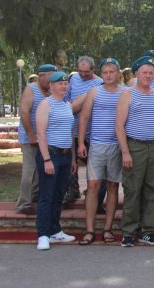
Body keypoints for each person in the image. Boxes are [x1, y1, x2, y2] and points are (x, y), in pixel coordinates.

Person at [115, 56, 154, 247]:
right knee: (132, 189)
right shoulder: (128, 94)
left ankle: (147, 230)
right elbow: (119, 126)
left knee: (152, 189)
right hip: (135, 147)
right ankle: (129, 232)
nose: (148, 76)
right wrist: (125, 152)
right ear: (137, 73)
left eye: (151, 73)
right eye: (144, 72)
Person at [76, 58, 126, 245]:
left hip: (117, 146)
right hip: (97, 145)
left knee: (113, 186)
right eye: (105, 72)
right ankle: (89, 229)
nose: (108, 75)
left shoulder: (126, 92)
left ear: (118, 73)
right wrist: (81, 143)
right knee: (93, 186)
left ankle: (107, 228)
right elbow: (84, 117)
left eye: (111, 72)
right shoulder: (94, 92)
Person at [35, 71, 77, 250]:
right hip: (50, 154)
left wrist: (73, 159)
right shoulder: (45, 104)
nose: (63, 86)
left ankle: (55, 230)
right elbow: (41, 134)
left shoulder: (67, 104)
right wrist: (46, 159)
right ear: (51, 86)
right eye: (59, 83)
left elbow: (70, 133)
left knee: (59, 195)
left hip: (66, 155)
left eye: (65, 83)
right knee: (47, 195)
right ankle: (43, 234)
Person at [15, 64, 55, 215]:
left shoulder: (50, 90)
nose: (51, 82)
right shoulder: (31, 89)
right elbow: (24, 112)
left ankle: (34, 198)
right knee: (29, 171)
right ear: (41, 76)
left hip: (44, 139)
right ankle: (23, 203)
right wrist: (31, 133)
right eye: (50, 78)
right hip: (30, 138)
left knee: (40, 171)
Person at [64, 56, 103, 204]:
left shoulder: (100, 83)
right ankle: (73, 191)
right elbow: (65, 98)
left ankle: (92, 193)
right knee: (70, 163)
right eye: (80, 71)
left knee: (92, 166)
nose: (83, 74)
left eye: (86, 72)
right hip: (72, 129)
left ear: (93, 69)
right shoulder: (73, 79)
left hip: (91, 133)